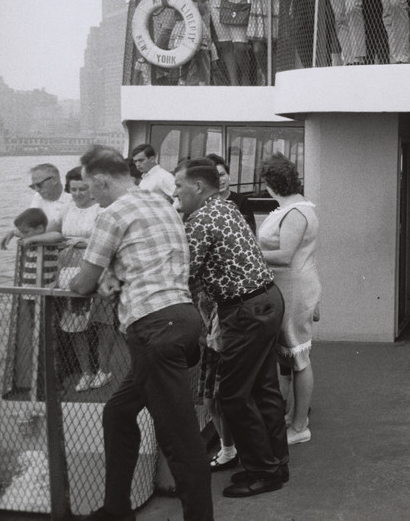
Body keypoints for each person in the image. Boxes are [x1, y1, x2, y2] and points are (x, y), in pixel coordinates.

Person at [68, 146, 212, 521]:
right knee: (118, 413)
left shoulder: (112, 213)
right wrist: (114, 274)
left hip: (153, 328)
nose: (89, 196)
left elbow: (84, 283)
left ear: (101, 180)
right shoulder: (161, 202)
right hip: (181, 317)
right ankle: (117, 508)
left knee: (179, 439)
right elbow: (146, 258)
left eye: (89, 188)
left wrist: (74, 281)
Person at [174, 158, 288, 498]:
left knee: (232, 395)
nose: (176, 193)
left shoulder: (201, 220)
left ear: (197, 186)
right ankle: (275, 463)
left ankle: (263, 471)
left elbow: (186, 273)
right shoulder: (225, 207)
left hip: (245, 311)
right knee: (264, 389)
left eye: (179, 185)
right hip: (267, 300)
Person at [24, 167, 114, 393]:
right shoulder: (67, 209)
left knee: (102, 321)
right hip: (70, 269)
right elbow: (53, 233)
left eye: (83, 189)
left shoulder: (102, 211)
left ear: (92, 189)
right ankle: (86, 371)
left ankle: (103, 369)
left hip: (97, 268)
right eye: (73, 189)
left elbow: (105, 240)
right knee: (75, 323)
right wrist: (24, 236)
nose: (78, 194)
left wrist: (76, 242)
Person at [257, 154, 321, 445]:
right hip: (291, 287)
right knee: (291, 357)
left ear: (271, 184)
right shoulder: (296, 208)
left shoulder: (295, 212)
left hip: (292, 288)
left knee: (298, 356)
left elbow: (285, 256)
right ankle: (294, 416)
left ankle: (299, 426)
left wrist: (248, 251)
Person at [1, 164, 71, 248]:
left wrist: (22, 234)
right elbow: (31, 225)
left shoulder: (72, 199)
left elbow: (56, 230)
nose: (37, 190)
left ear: (55, 180)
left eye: (39, 185)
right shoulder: (38, 197)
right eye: (33, 186)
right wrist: (14, 232)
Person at [205, 153, 256, 233]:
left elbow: (251, 233)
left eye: (222, 175)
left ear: (228, 175)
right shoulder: (200, 202)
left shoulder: (242, 201)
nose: (219, 180)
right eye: (214, 177)